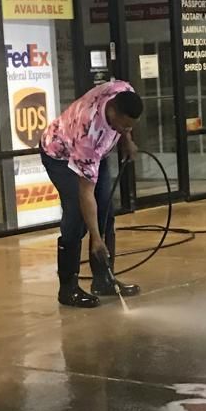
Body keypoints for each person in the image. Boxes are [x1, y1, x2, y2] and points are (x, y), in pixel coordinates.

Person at [40, 80, 145, 308]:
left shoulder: (123, 92)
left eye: (130, 126)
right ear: (112, 111)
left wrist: (126, 139)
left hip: (98, 153)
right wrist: (96, 239)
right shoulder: (89, 134)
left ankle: (104, 281)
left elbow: (124, 124)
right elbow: (86, 193)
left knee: (106, 210)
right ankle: (68, 289)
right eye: (122, 126)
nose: (125, 130)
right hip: (60, 154)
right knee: (77, 217)